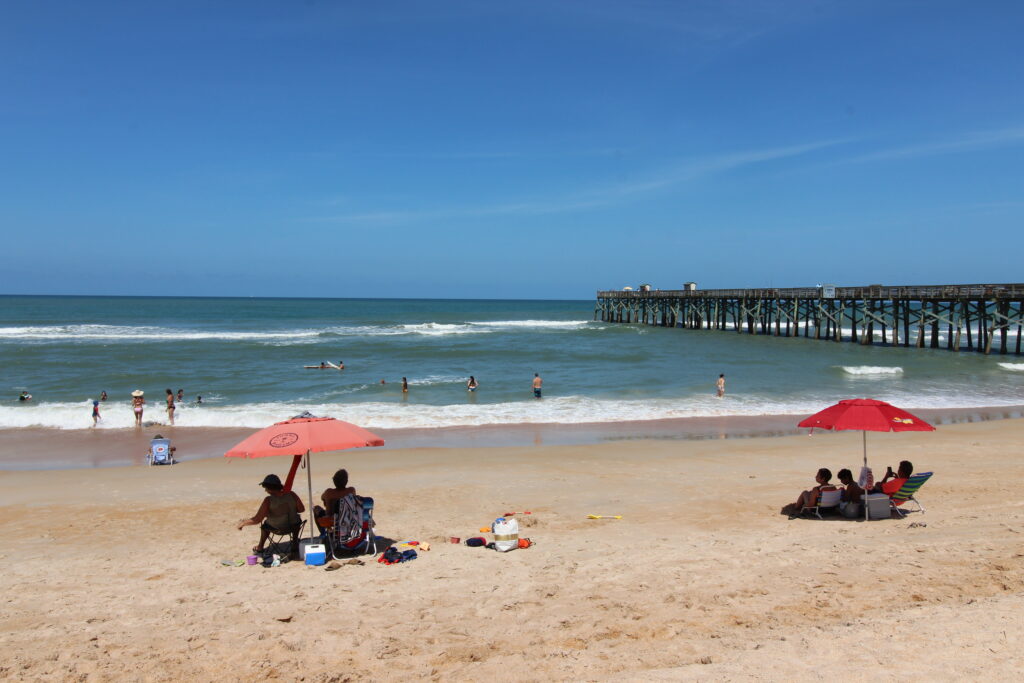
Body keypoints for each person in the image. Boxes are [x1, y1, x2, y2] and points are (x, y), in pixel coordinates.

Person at [237, 474, 305, 557]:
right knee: (296, 520)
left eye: (265, 488)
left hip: (277, 529)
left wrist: (243, 523)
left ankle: (260, 547)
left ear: (269, 488)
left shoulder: (268, 500)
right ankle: (294, 544)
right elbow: (302, 509)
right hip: (293, 527)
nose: (265, 490)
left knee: (265, 525)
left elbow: (257, 519)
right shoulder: (292, 494)